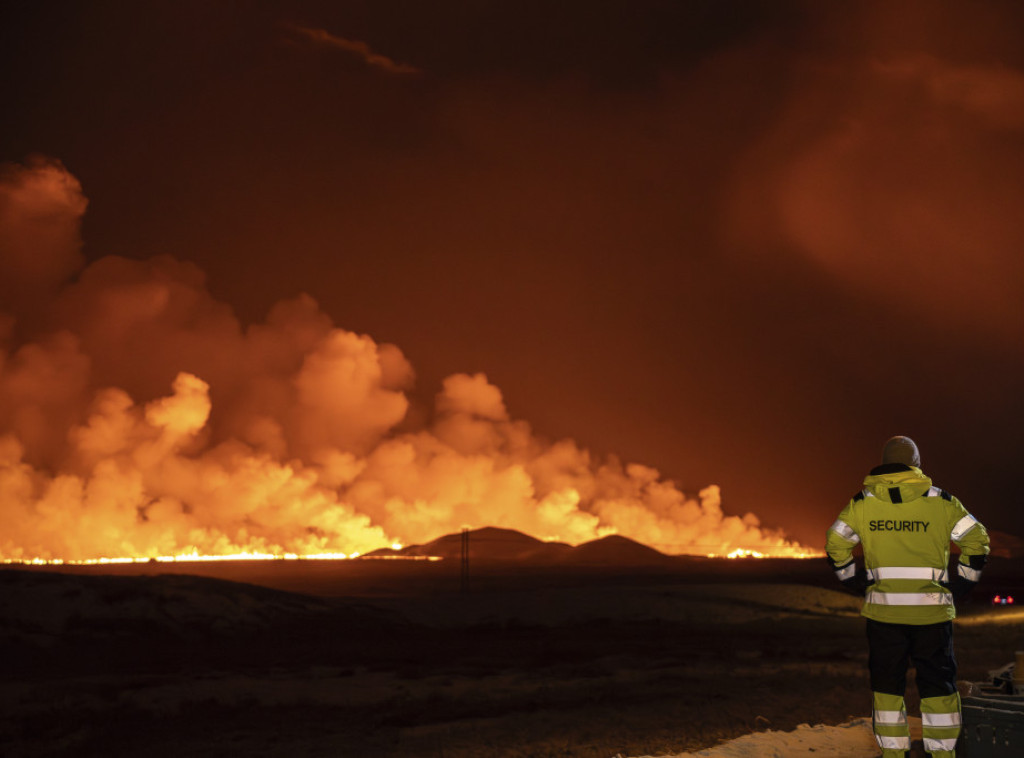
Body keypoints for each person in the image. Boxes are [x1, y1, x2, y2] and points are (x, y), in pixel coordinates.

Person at [825, 436, 990, 758]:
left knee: (887, 689)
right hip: (932, 615)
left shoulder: (862, 503)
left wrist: (852, 579)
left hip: (883, 616)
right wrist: (964, 582)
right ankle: (941, 754)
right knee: (938, 687)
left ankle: (893, 754)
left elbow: (835, 543)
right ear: (915, 464)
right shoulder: (942, 502)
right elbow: (977, 540)